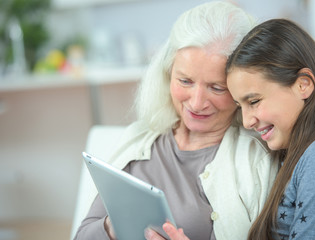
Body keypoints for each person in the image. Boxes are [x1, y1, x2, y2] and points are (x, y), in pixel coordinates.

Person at [74, 2, 279, 240]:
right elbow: (82, 235)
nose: (197, 102)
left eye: (216, 87)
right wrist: (116, 225)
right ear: (167, 74)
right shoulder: (138, 139)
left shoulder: (255, 159)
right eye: (185, 81)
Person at [226, 19, 315, 239]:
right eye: (240, 106)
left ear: (303, 85)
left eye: (254, 101)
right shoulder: (299, 153)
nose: (247, 121)